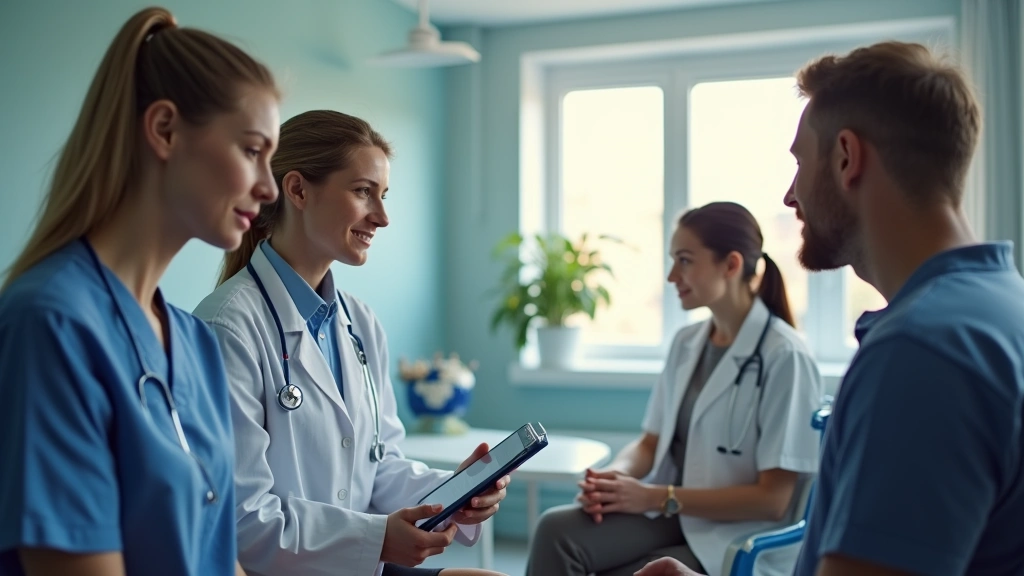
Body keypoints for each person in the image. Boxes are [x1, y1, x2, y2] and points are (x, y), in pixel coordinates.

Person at [636, 41, 1024, 576]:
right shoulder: (1001, 306)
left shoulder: (921, 352)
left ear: (846, 157)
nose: (790, 195)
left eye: (800, 162)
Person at [0, 7, 280, 576]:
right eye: (252, 151)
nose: (268, 187)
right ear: (165, 130)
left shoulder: (194, 342)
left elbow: (216, 557)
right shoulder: (52, 323)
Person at [193, 110, 507, 576]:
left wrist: (454, 494)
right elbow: (242, 518)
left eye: (383, 195)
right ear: (298, 190)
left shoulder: (359, 322)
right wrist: (376, 538)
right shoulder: (227, 328)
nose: (382, 217)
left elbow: (379, 467)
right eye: (363, 192)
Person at [526, 202, 823, 576]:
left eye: (684, 261)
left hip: (737, 531)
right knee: (555, 531)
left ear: (731, 265)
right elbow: (650, 444)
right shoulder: (686, 342)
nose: (671, 276)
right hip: (672, 513)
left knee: (638, 571)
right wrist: (614, 478)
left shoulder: (786, 357)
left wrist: (656, 497)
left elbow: (773, 500)